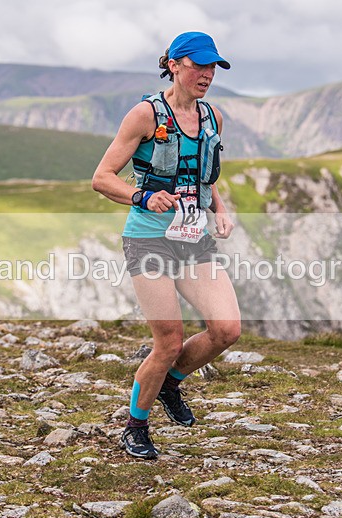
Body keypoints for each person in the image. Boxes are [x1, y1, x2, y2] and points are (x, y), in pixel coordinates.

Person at [92, 31, 241, 459]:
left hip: (193, 239)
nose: (207, 75)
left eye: (213, 67)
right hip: (148, 239)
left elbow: (204, 178)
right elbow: (101, 177)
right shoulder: (144, 115)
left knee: (226, 329)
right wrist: (142, 195)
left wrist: (221, 209)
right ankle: (135, 426)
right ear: (174, 65)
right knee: (169, 341)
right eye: (198, 65)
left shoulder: (213, 118)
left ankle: (171, 383)